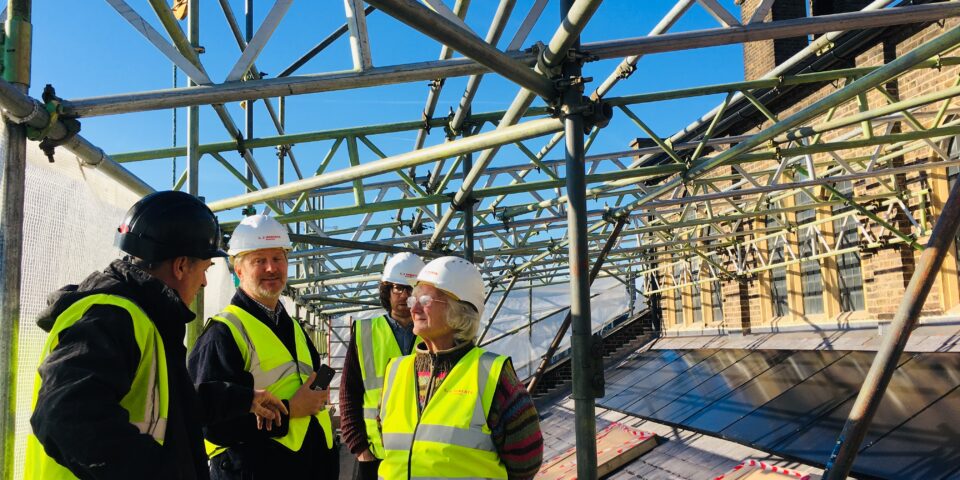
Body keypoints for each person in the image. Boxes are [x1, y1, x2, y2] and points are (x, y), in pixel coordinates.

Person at [25, 190, 232, 479]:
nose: (205, 282)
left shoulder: (142, 317)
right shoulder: (113, 316)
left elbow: (168, 407)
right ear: (181, 266)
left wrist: (241, 399)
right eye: (205, 269)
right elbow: (64, 415)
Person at [188, 214, 338, 479]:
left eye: (278, 258)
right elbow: (212, 423)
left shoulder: (295, 329)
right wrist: (290, 410)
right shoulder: (223, 333)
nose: (271, 268)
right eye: (259, 261)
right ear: (239, 271)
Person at [378, 256, 544, 480]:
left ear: (459, 311)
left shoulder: (491, 374)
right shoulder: (396, 371)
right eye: (413, 299)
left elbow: (526, 460)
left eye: (425, 300)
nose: (414, 308)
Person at [340, 252, 426, 480]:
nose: (405, 295)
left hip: (424, 456)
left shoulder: (434, 333)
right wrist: (360, 449)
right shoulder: (365, 332)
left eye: (411, 289)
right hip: (376, 455)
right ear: (386, 290)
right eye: (398, 288)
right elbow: (349, 394)